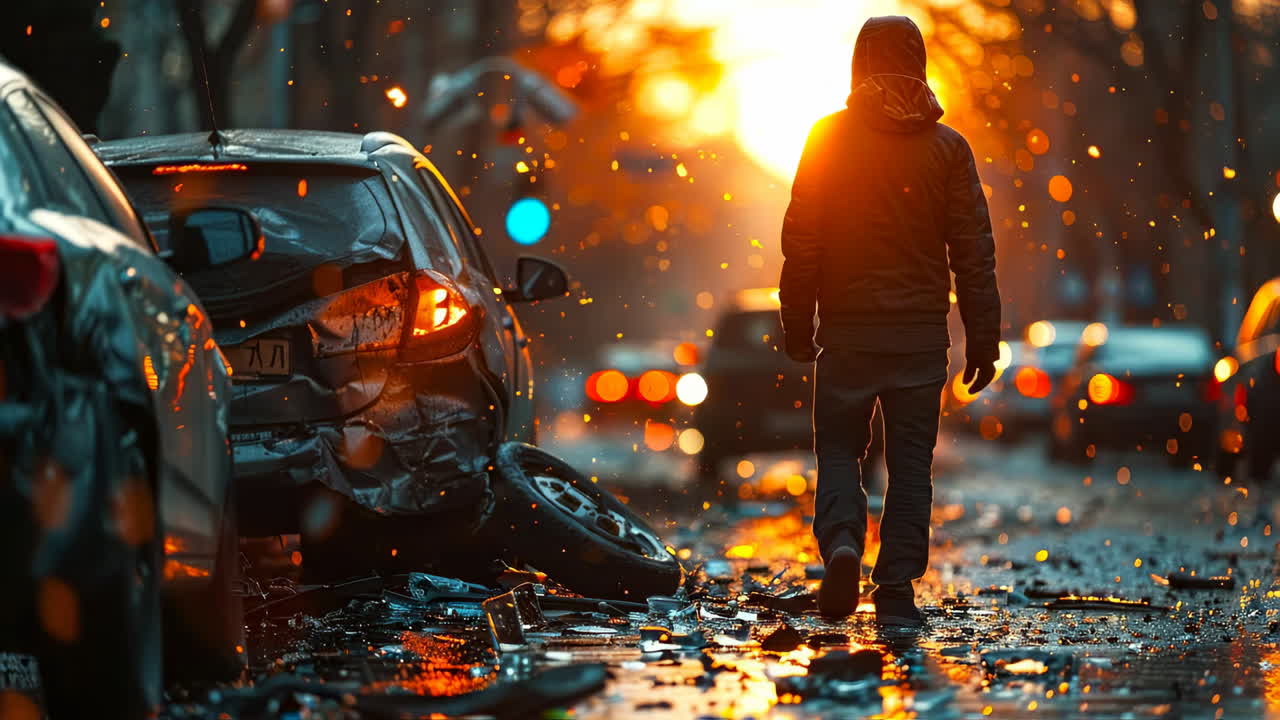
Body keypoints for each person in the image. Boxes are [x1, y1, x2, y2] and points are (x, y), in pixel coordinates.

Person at [778, 15, 1001, 625]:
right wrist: (983, 335)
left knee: (840, 453)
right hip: (920, 340)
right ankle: (896, 588)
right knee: (910, 467)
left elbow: (802, 242)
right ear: (919, 62)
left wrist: (797, 323)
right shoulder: (948, 149)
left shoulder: (827, 138)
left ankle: (844, 542)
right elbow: (972, 250)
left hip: (847, 335)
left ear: (858, 65)